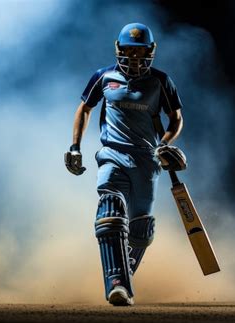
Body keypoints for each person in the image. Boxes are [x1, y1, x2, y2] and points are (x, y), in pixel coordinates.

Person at [64, 23, 187, 306]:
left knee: (140, 229)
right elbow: (85, 108)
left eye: (140, 51)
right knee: (110, 207)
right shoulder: (104, 77)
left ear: (150, 52)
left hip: (147, 160)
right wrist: (75, 146)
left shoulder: (161, 81)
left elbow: (176, 118)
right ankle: (116, 284)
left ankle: (125, 274)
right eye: (129, 51)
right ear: (119, 49)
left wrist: (165, 144)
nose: (134, 57)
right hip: (113, 154)